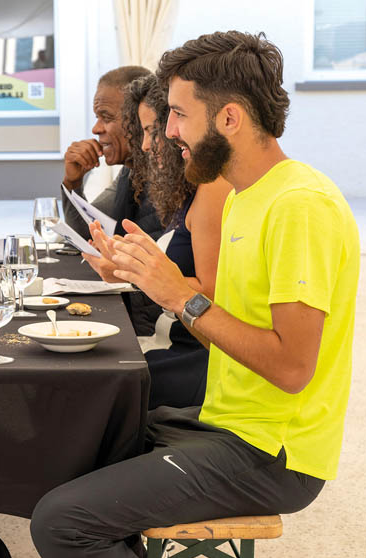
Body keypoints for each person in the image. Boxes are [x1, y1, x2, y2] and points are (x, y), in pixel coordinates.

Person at [31, 32, 360, 558]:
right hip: (222, 419)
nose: (167, 131)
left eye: (178, 114)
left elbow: (292, 366)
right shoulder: (246, 197)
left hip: (270, 450)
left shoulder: (299, 207)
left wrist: (180, 296)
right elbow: (221, 322)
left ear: (230, 118)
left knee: (61, 522)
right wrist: (157, 284)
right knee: (73, 445)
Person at [114, 74, 232, 410]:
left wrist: (140, 272)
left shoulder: (213, 189)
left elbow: (211, 296)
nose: (147, 145)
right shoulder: (190, 191)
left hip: (191, 356)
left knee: (94, 386)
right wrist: (128, 267)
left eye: (152, 131)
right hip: (167, 340)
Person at [60, 65, 163, 239]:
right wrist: (72, 183)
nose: (95, 129)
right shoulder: (131, 172)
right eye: (97, 117)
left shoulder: (169, 178)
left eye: (106, 117)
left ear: (139, 119)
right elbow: (89, 233)